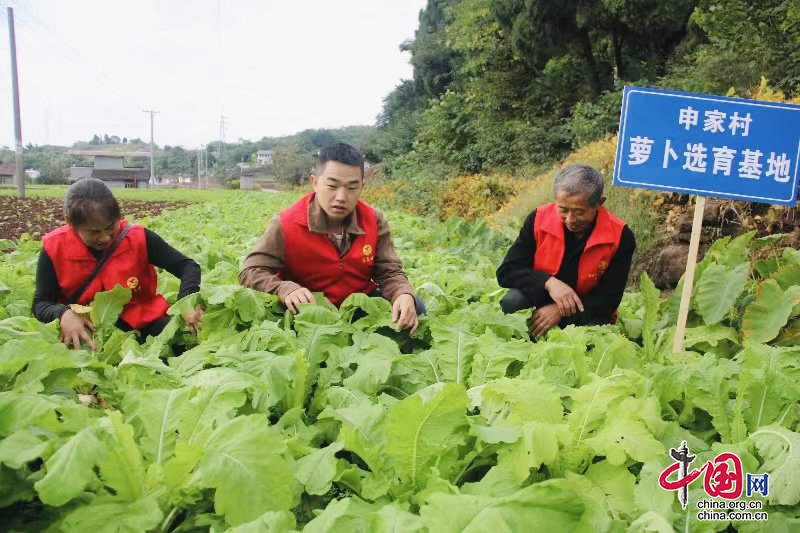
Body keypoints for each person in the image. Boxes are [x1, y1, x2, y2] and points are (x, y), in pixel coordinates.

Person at [239, 141, 423, 333]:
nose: (341, 197)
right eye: (332, 186)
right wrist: (284, 288)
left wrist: (402, 293)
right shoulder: (286, 223)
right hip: (307, 312)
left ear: (362, 186)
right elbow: (250, 271)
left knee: (414, 306)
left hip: (357, 307)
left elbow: (389, 271)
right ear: (315, 183)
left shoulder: (374, 220)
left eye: (352, 187)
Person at [32, 178, 203, 350]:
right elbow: (41, 303)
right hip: (88, 331)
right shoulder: (54, 248)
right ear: (70, 221)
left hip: (146, 323)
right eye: (94, 232)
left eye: (110, 227)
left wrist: (186, 302)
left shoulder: (139, 237)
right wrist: (63, 314)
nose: (105, 237)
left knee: (183, 344)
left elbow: (187, 266)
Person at [496, 164, 635, 338]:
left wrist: (560, 310)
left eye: (579, 212)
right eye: (563, 209)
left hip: (585, 307)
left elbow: (609, 298)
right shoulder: (538, 219)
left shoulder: (620, 236)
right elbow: (507, 272)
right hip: (540, 297)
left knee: (596, 334)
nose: (570, 220)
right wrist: (549, 282)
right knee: (512, 302)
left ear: (599, 203)